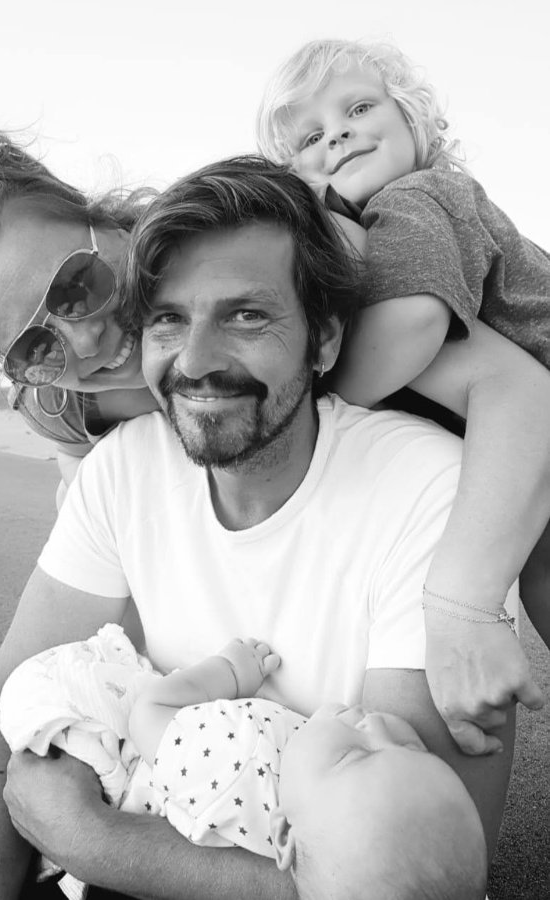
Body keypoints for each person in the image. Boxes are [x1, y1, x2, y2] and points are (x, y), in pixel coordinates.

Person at [0, 156, 514, 900]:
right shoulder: (121, 462)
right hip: (145, 793)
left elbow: (413, 873)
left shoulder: (424, 483)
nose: (194, 361)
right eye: (168, 318)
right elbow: (2, 698)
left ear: (326, 338)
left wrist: (93, 841)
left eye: (246, 315)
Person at [256, 37, 550, 751]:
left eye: (359, 108)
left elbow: (414, 323)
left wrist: (323, 387)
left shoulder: (416, 197)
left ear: (414, 120)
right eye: (311, 137)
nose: (339, 135)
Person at [0, 629, 488, 900]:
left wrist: (230, 673)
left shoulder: (237, 757)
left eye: (352, 755)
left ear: (283, 834)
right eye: (411, 746)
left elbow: (148, 714)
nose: (376, 722)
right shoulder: (331, 842)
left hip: (116, 769)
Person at [0, 124, 159, 489]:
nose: (85, 343)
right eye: (35, 349)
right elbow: (74, 460)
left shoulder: (211, 249)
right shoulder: (60, 407)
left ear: (111, 227)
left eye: (78, 284)